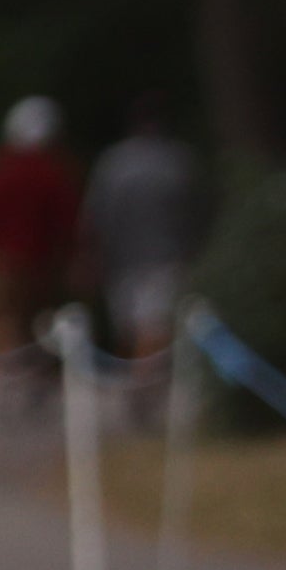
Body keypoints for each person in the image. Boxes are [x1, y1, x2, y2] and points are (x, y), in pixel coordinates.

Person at [81, 101, 201, 389]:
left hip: (123, 262)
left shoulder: (112, 164)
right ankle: (144, 382)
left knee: (136, 328)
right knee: (154, 326)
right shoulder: (179, 161)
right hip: (166, 259)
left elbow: (93, 218)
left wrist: (92, 259)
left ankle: (140, 382)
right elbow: (197, 216)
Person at [0, 93, 79, 379]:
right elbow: (66, 221)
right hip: (39, 262)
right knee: (39, 320)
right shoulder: (53, 170)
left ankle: (3, 372)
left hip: (1, 259)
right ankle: (31, 373)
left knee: (4, 320)